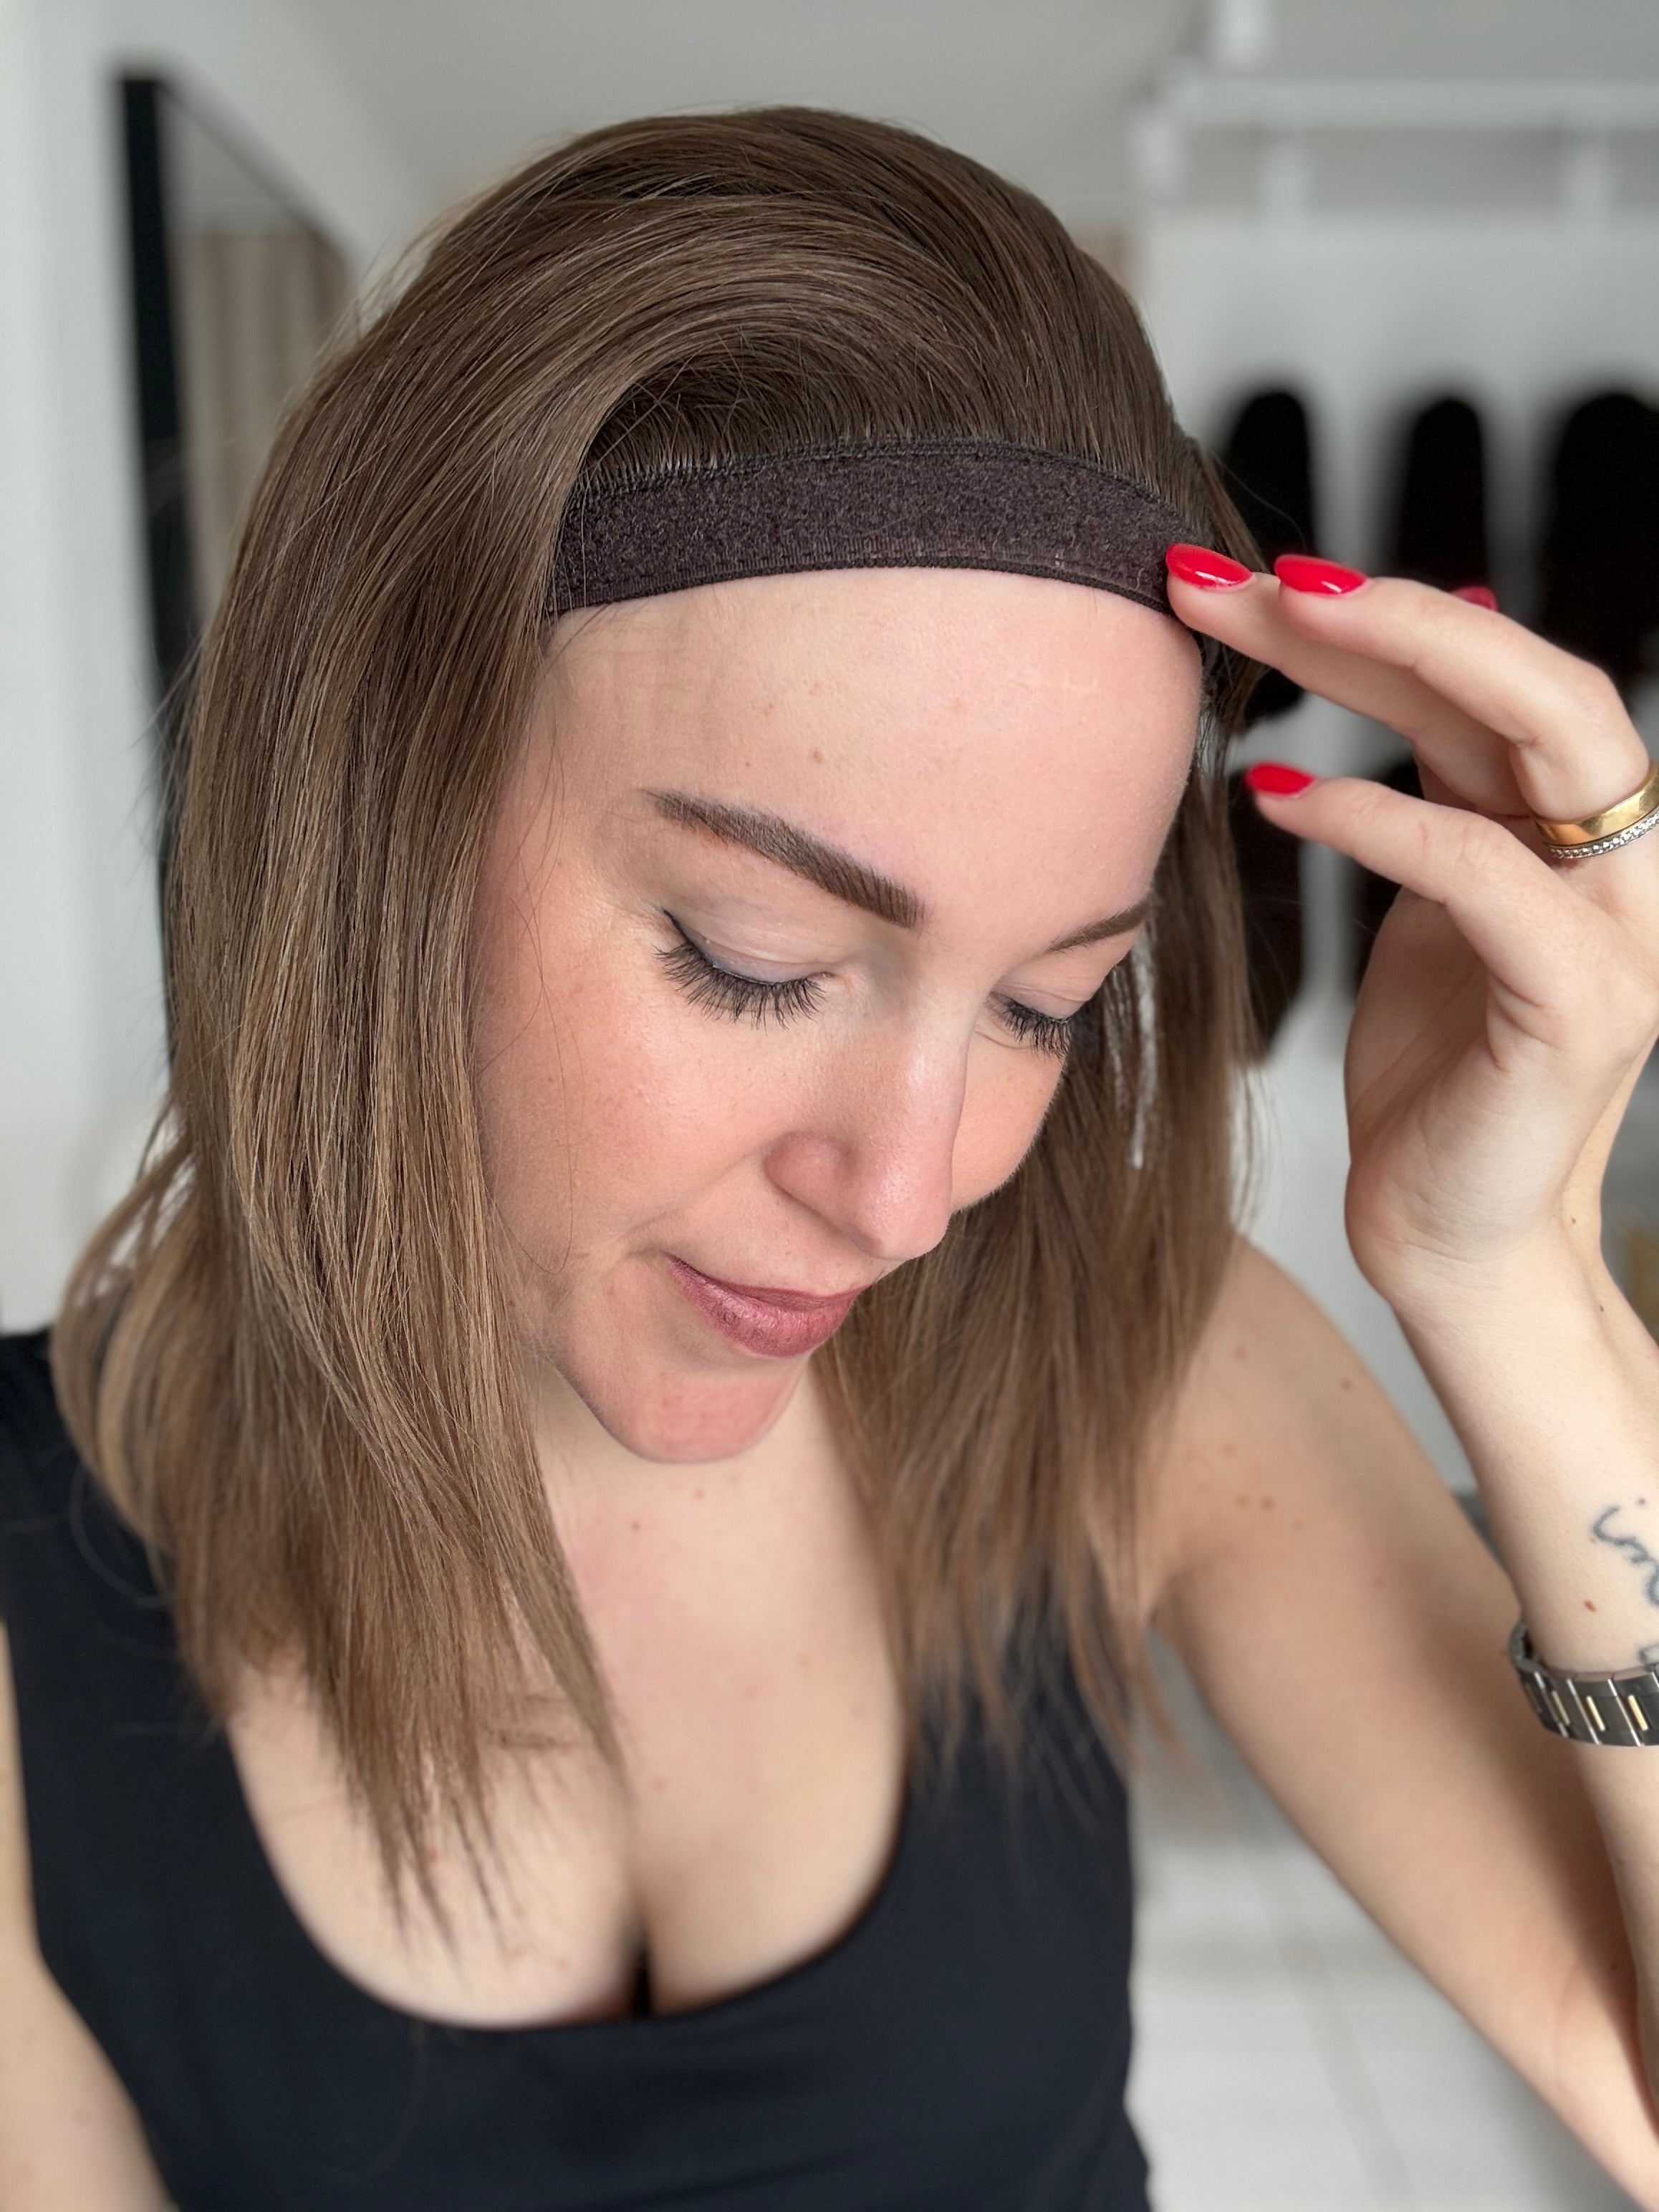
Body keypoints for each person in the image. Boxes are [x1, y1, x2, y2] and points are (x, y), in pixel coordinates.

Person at [4, 105, 1659, 2211]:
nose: (905, 1198)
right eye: (753, 959)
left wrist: (1514, 1273)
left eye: (1046, 1005)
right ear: (373, 825)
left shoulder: (1132, 1364)